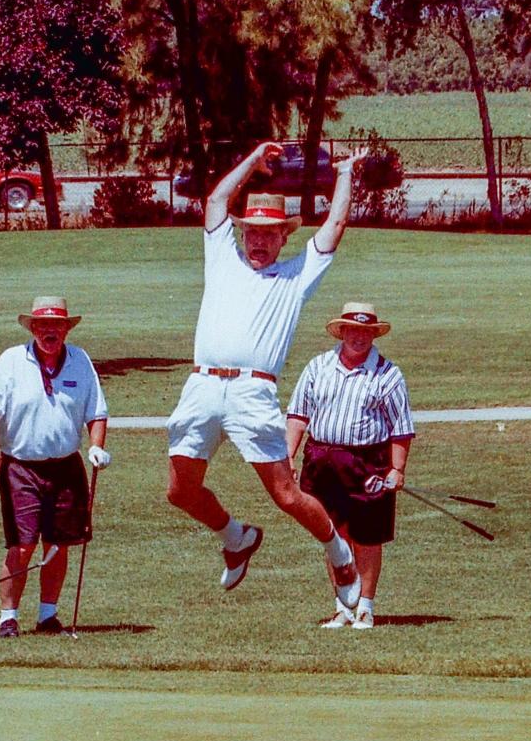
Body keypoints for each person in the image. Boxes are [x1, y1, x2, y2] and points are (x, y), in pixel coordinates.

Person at [166, 141, 367, 611]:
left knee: (285, 494)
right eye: (252, 232)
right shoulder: (221, 257)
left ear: (283, 238)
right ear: (243, 233)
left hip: (254, 392)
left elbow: (334, 227)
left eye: (269, 234)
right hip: (201, 387)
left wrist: (343, 174)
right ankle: (236, 537)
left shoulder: (295, 278)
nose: (258, 241)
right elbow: (216, 201)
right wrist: (254, 161)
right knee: (179, 490)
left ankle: (339, 554)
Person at [0, 296, 110, 638]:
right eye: (43, 325)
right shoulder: (10, 361)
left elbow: (96, 411)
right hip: (20, 466)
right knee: (22, 546)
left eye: (57, 325)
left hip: (66, 466)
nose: (50, 331)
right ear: (33, 328)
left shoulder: (80, 361)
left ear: (66, 329)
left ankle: (48, 615)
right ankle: (8, 617)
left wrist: (96, 446)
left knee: (57, 544)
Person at [286, 301, 414, 631]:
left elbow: (401, 428)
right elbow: (298, 415)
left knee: (367, 538)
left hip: (369, 463)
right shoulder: (317, 367)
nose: (359, 338)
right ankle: (343, 607)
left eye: (366, 332)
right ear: (342, 331)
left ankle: (365, 609)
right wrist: (287, 457)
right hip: (322, 461)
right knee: (334, 537)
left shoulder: (388, 374)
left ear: (374, 335)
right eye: (353, 330)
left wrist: (396, 469)